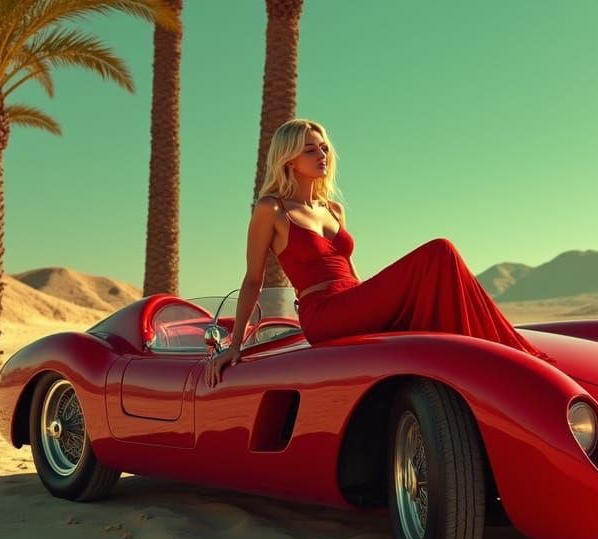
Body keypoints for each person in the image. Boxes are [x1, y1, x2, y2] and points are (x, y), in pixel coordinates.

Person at [205, 119, 550, 387]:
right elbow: (253, 279)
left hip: (351, 301)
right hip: (323, 314)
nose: (322, 155)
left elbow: (352, 277)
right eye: (310, 150)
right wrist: (235, 346)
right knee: (439, 252)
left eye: (323, 148)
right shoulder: (272, 209)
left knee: (438, 268)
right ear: (289, 158)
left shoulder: (334, 209)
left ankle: (498, 353)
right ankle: (511, 355)